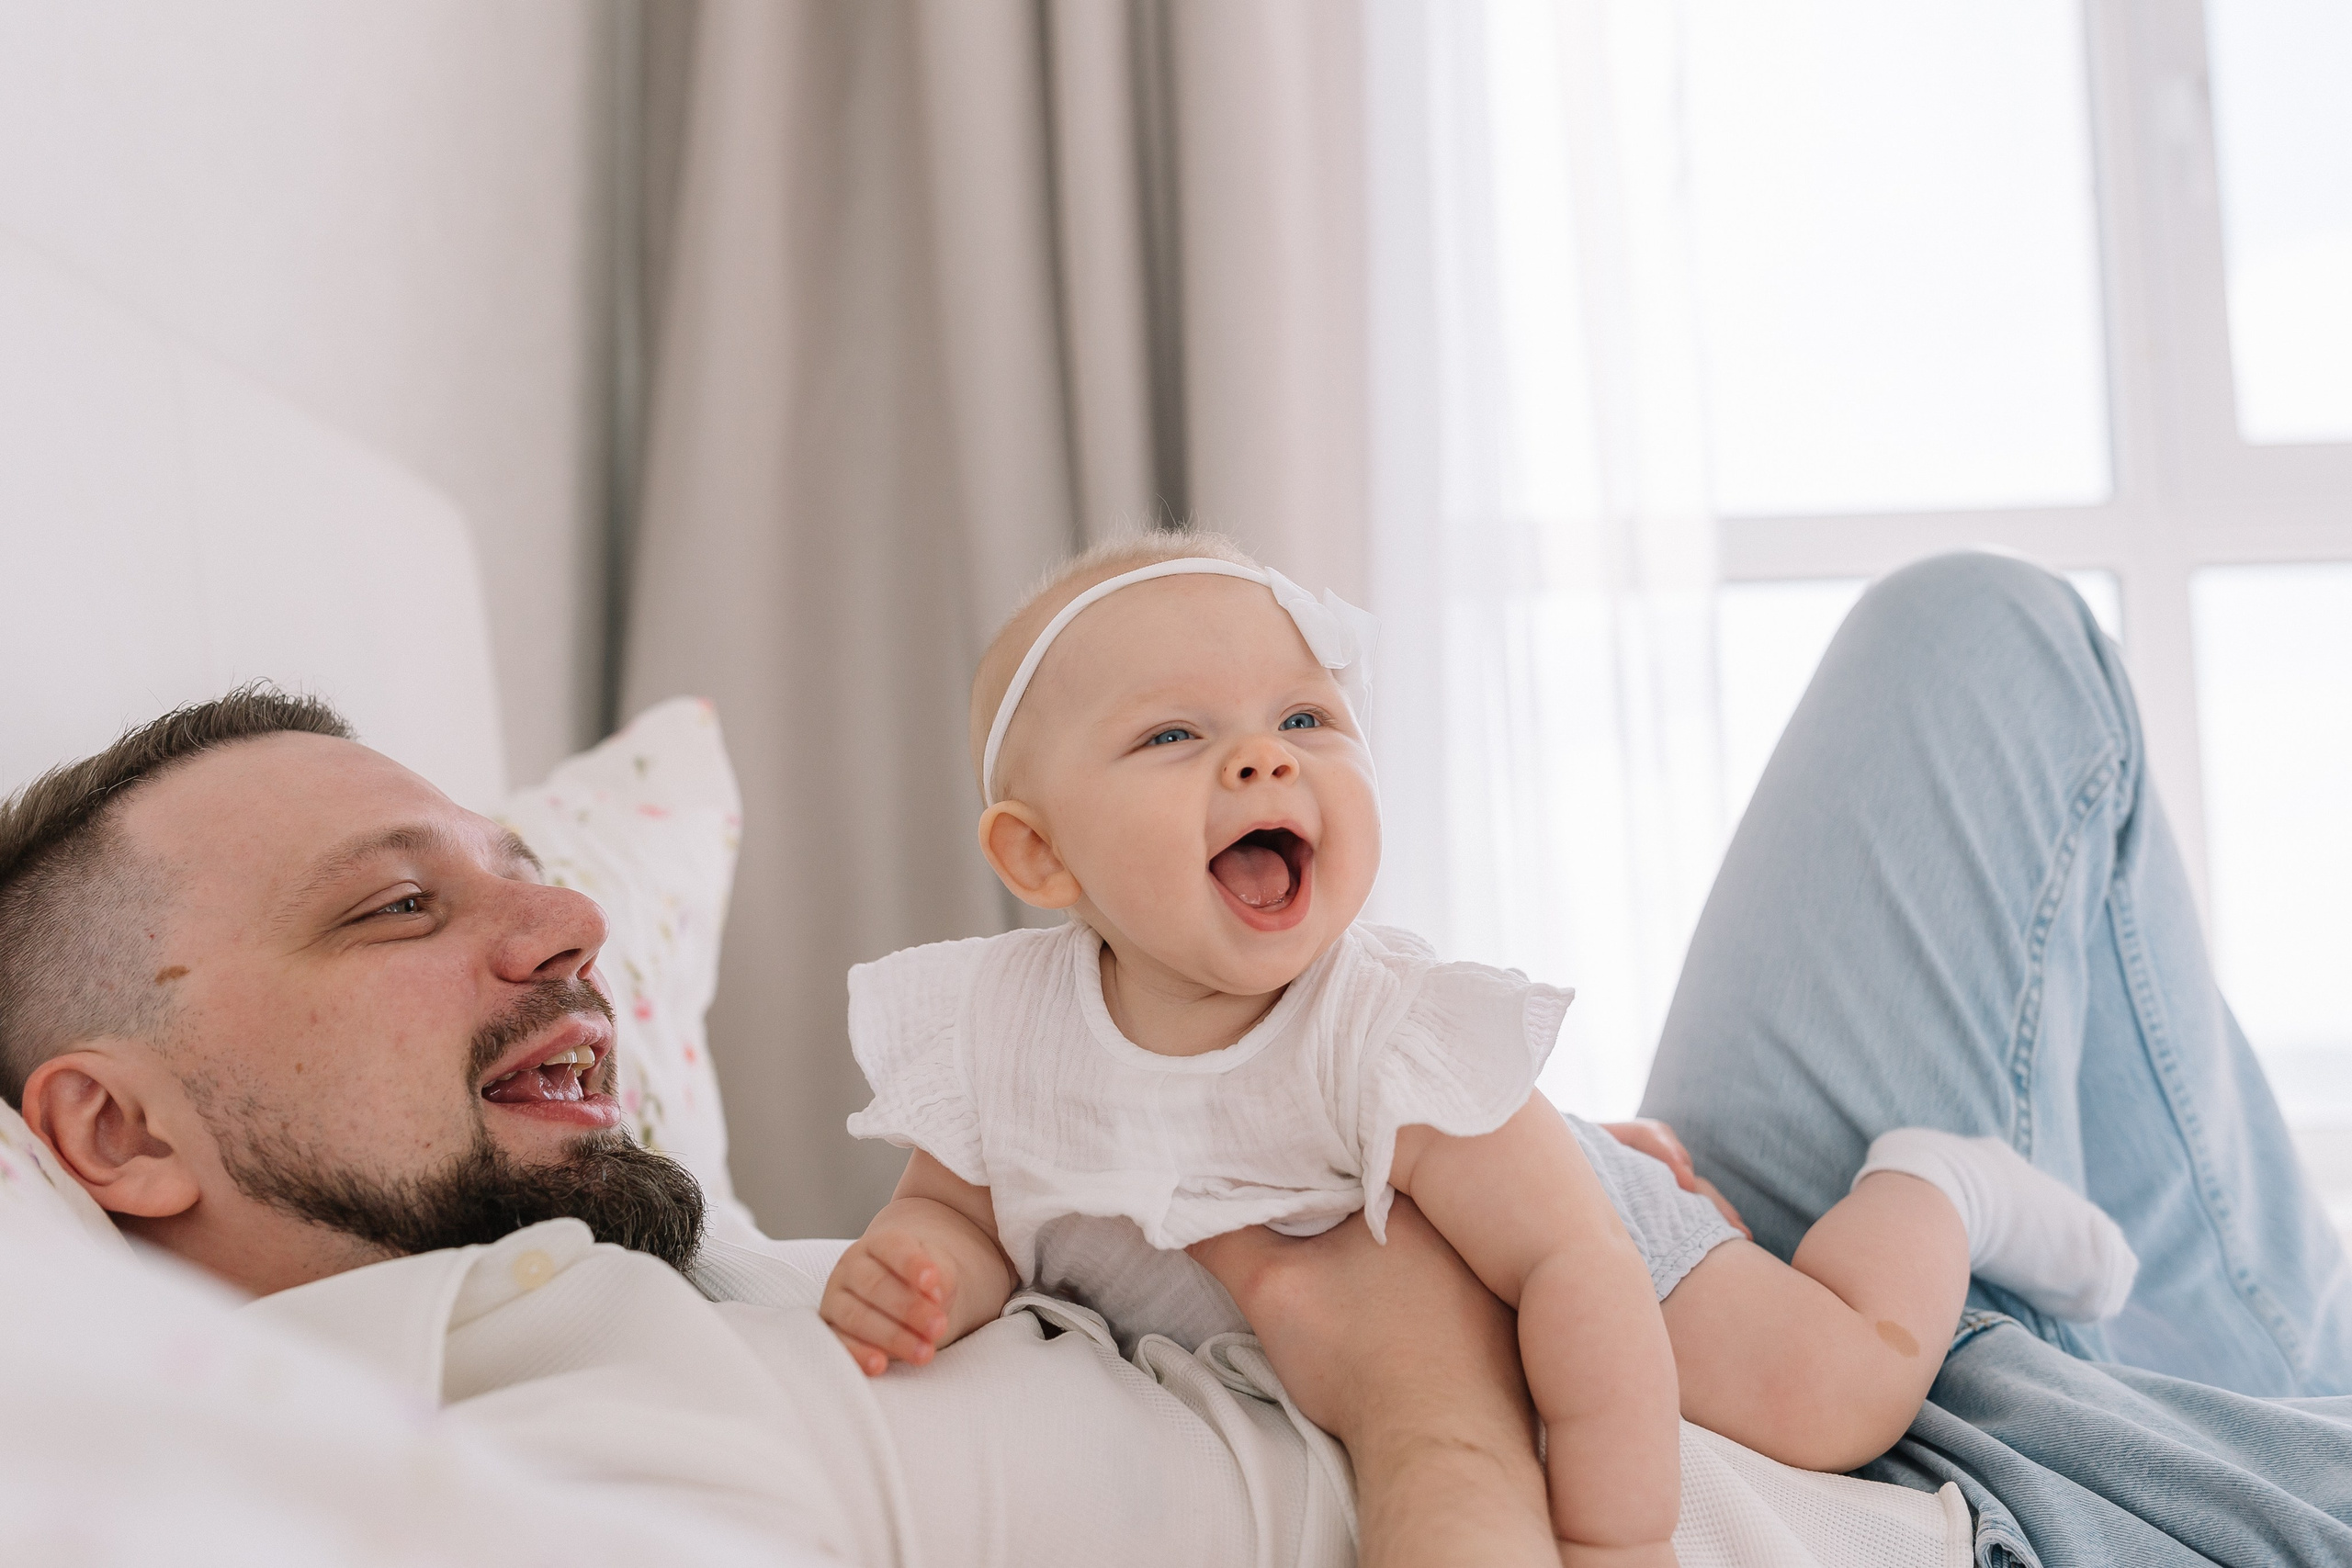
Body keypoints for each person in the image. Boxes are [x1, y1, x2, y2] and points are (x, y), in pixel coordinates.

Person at [5, 548, 2351, 1564]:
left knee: (1980, 643)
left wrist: (1547, 1212)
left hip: (1645, 1293)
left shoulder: (643, 1274)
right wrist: (1429, 1385)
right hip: (1961, 1506)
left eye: (522, 860)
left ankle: (2054, 1256)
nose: (568, 922)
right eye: (399, 904)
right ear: (108, 1131)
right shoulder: (511, 1439)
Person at [818, 536, 2139, 1567]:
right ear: (1038, 854)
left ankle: (1933, 1185)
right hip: (1457, 1243)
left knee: (1832, 1393)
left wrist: (1617, 1539)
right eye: (1176, 735)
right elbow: (960, 1207)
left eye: (1305, 721)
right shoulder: (1007, 1034)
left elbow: (1575, 1270)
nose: (1263, 765)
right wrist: (923, 1269)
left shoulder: (1380, 1024)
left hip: (1570, 1226)